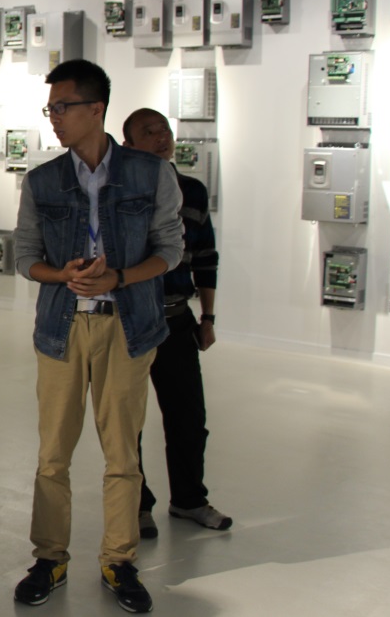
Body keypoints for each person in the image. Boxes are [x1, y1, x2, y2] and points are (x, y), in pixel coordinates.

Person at [11, 61, 182, 614]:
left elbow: (170, 249)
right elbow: (24, 256)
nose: (54, 118)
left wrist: (120, 278)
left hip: (127, 326)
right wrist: (61, 274)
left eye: (62, 107)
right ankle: (49, 557)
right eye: (50, 109)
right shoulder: (42, 181)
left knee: (122, 454)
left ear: (96, 109)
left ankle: (119, 560)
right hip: (61, 329)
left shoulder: (150, 174)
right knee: (53, 454)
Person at [121, 108, 232, 538]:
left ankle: (189, 499)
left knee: (188, 418)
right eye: (148, 132)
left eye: (164, 129)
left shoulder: (192, 192)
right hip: (131, 323)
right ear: (129, 145)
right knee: (127, 420)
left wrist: (209, 318)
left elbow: (206, 258)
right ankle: (137, 504)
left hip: (176, 319)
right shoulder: (122, 194)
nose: (160, 137)